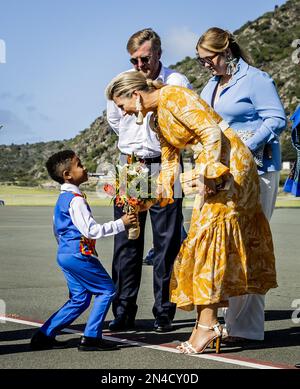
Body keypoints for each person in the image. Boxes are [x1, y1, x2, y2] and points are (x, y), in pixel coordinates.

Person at [106, 70, 277, 354]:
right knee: (203, 243)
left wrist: (210, 174)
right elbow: (170, 160)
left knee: (209, 242)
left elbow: (211, 132)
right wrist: (153, 196)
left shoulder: (175, 96)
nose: (121, 114)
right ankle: (207, 324)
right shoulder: (157, 117)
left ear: (135, 96)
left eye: (121, 106)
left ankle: (207, 326)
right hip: (210, 170)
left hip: (229, 165)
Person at [196, 27, 286, 342]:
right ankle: (226, 323)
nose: (206, 66)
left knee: (249, 246)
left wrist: (243, 148)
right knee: (228, 247)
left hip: (257, 171)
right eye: (201, 61)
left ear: (226, 51)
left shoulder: (256, 80)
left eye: (209, 59)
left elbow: (276, 120)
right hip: (223, 174)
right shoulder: (210, 86)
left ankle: (245, 329)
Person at [106, 28, 191, 332]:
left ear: (158, 53)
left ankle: (164, 312)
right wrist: (138, 146)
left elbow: (185, 115)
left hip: (166, 166)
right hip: (130, 166)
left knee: (166, 243)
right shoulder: (123, 81)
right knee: (126, 243)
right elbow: (115, 120)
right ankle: (123, 312)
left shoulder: (177, 81)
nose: (139, 65)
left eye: (145, 58)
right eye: (134, 59)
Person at [30, 150, 137, 352]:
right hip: (78, 254)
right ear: (67, 175)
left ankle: (44, 335)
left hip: (65, 253)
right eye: (79, 164)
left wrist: (68, 250)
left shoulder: (63, 199)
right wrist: (120, 223)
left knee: (79, 299)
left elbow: (57, 229)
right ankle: (91, 337)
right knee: (106, 290)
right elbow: (91, 230)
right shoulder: (76, 200)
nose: (85, 167)